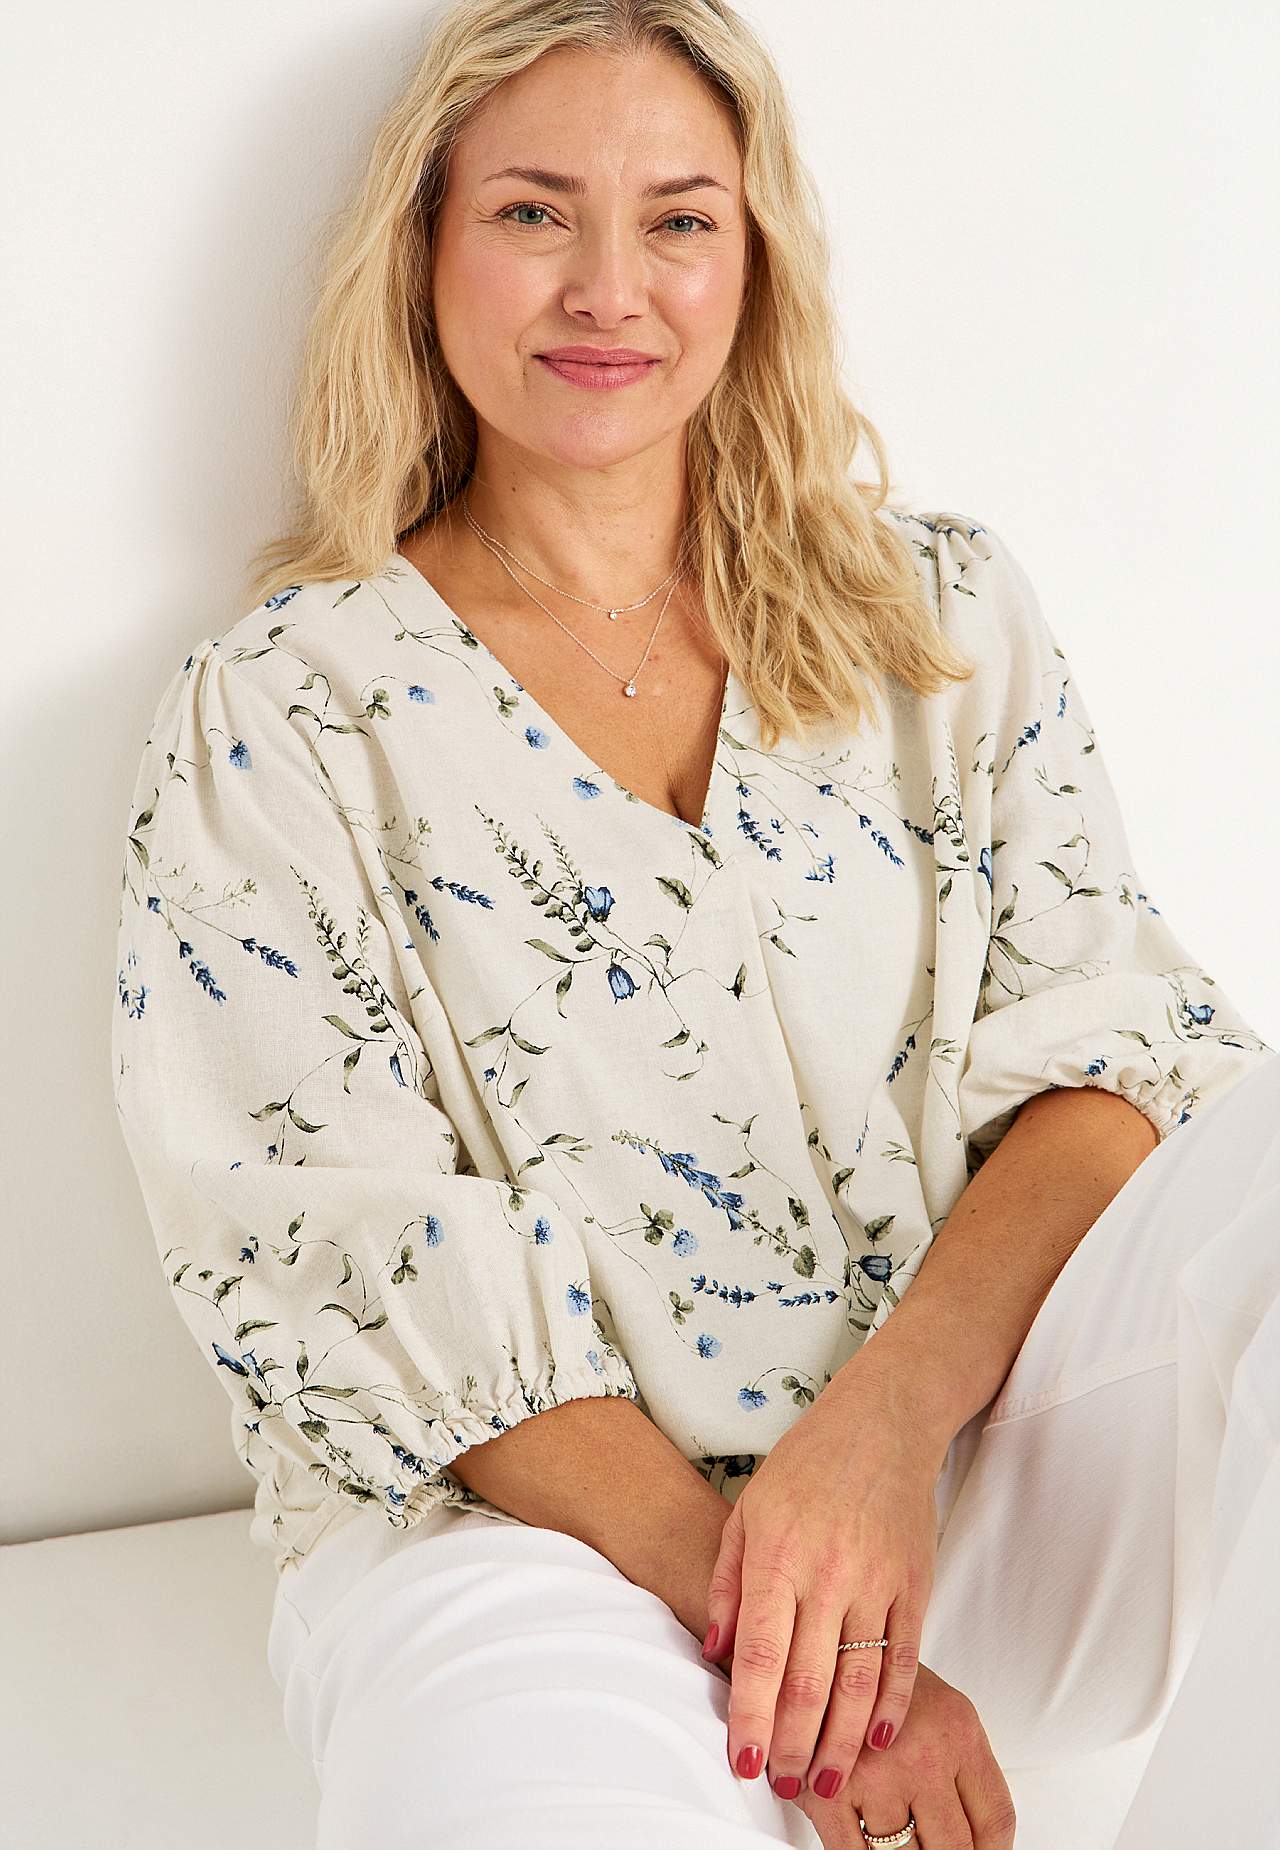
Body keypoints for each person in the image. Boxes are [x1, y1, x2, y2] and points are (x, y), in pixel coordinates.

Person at [109, 3, 1278, 1846]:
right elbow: (342, 1258)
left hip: (975, 1483)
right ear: (423, 245)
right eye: (532, 213)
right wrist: (794, 1636)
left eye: (677, 220)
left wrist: (880, 1439)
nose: (609, 288)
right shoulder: (286, 712)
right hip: (540, 1556)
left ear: (754, 260)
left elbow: (1111, 1057)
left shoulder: (937, 615)